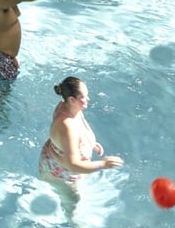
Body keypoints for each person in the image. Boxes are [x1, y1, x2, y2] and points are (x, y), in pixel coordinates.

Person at [38, 76, 123, 216]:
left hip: (58, 155)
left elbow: (80, 127)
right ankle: (71, 221)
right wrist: (103, 164)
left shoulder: (69, 107)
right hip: (59, 171)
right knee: (73, 199)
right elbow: (73, 165)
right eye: (84, 97)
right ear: (72, 99)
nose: (88, 99)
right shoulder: (66, 125)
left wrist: (90, 143)